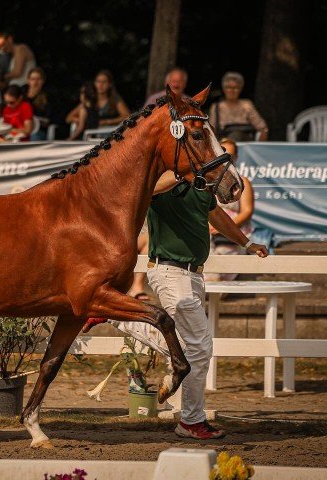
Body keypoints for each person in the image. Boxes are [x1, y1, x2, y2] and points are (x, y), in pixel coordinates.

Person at [84, 170, 268, 440]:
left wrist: (247, 242)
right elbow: (149, 187)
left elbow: (216, 215)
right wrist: (185, 172)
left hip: (194, 274)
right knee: (199, 348)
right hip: (169, 271)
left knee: (188, 346)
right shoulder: (162, 180)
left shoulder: (202, 185)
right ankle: (192, 421)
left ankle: (113, 314)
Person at [206, 139, 255, 281]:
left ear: (236, 158)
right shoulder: (207, 181)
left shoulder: (243, 181)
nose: (226, 158)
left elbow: (247, 211)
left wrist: (224, 226)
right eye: (222, 153)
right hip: (207, 233)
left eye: (231, 155)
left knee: (221, 272)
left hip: (230, 234)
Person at [209, 72, 268, 142]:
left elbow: (263, 128)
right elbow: (211, 131)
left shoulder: (246, 105)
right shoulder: (216, 107)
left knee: (237, 135)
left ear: (240, 89)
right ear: (224, 89)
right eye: (229, 87)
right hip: (223, 143)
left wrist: (258, 146)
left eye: (235, 88)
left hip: (244, 142)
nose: (232, 91)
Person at [23, 67, 52, 140]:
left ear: (43, 81)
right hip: (21, 127)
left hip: (37, 130)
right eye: (33, 79)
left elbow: (48, 120)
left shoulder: (47, 97)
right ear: (28, 80)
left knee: (34, 137)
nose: (35, 82)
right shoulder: (22, 93)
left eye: (38, 79)